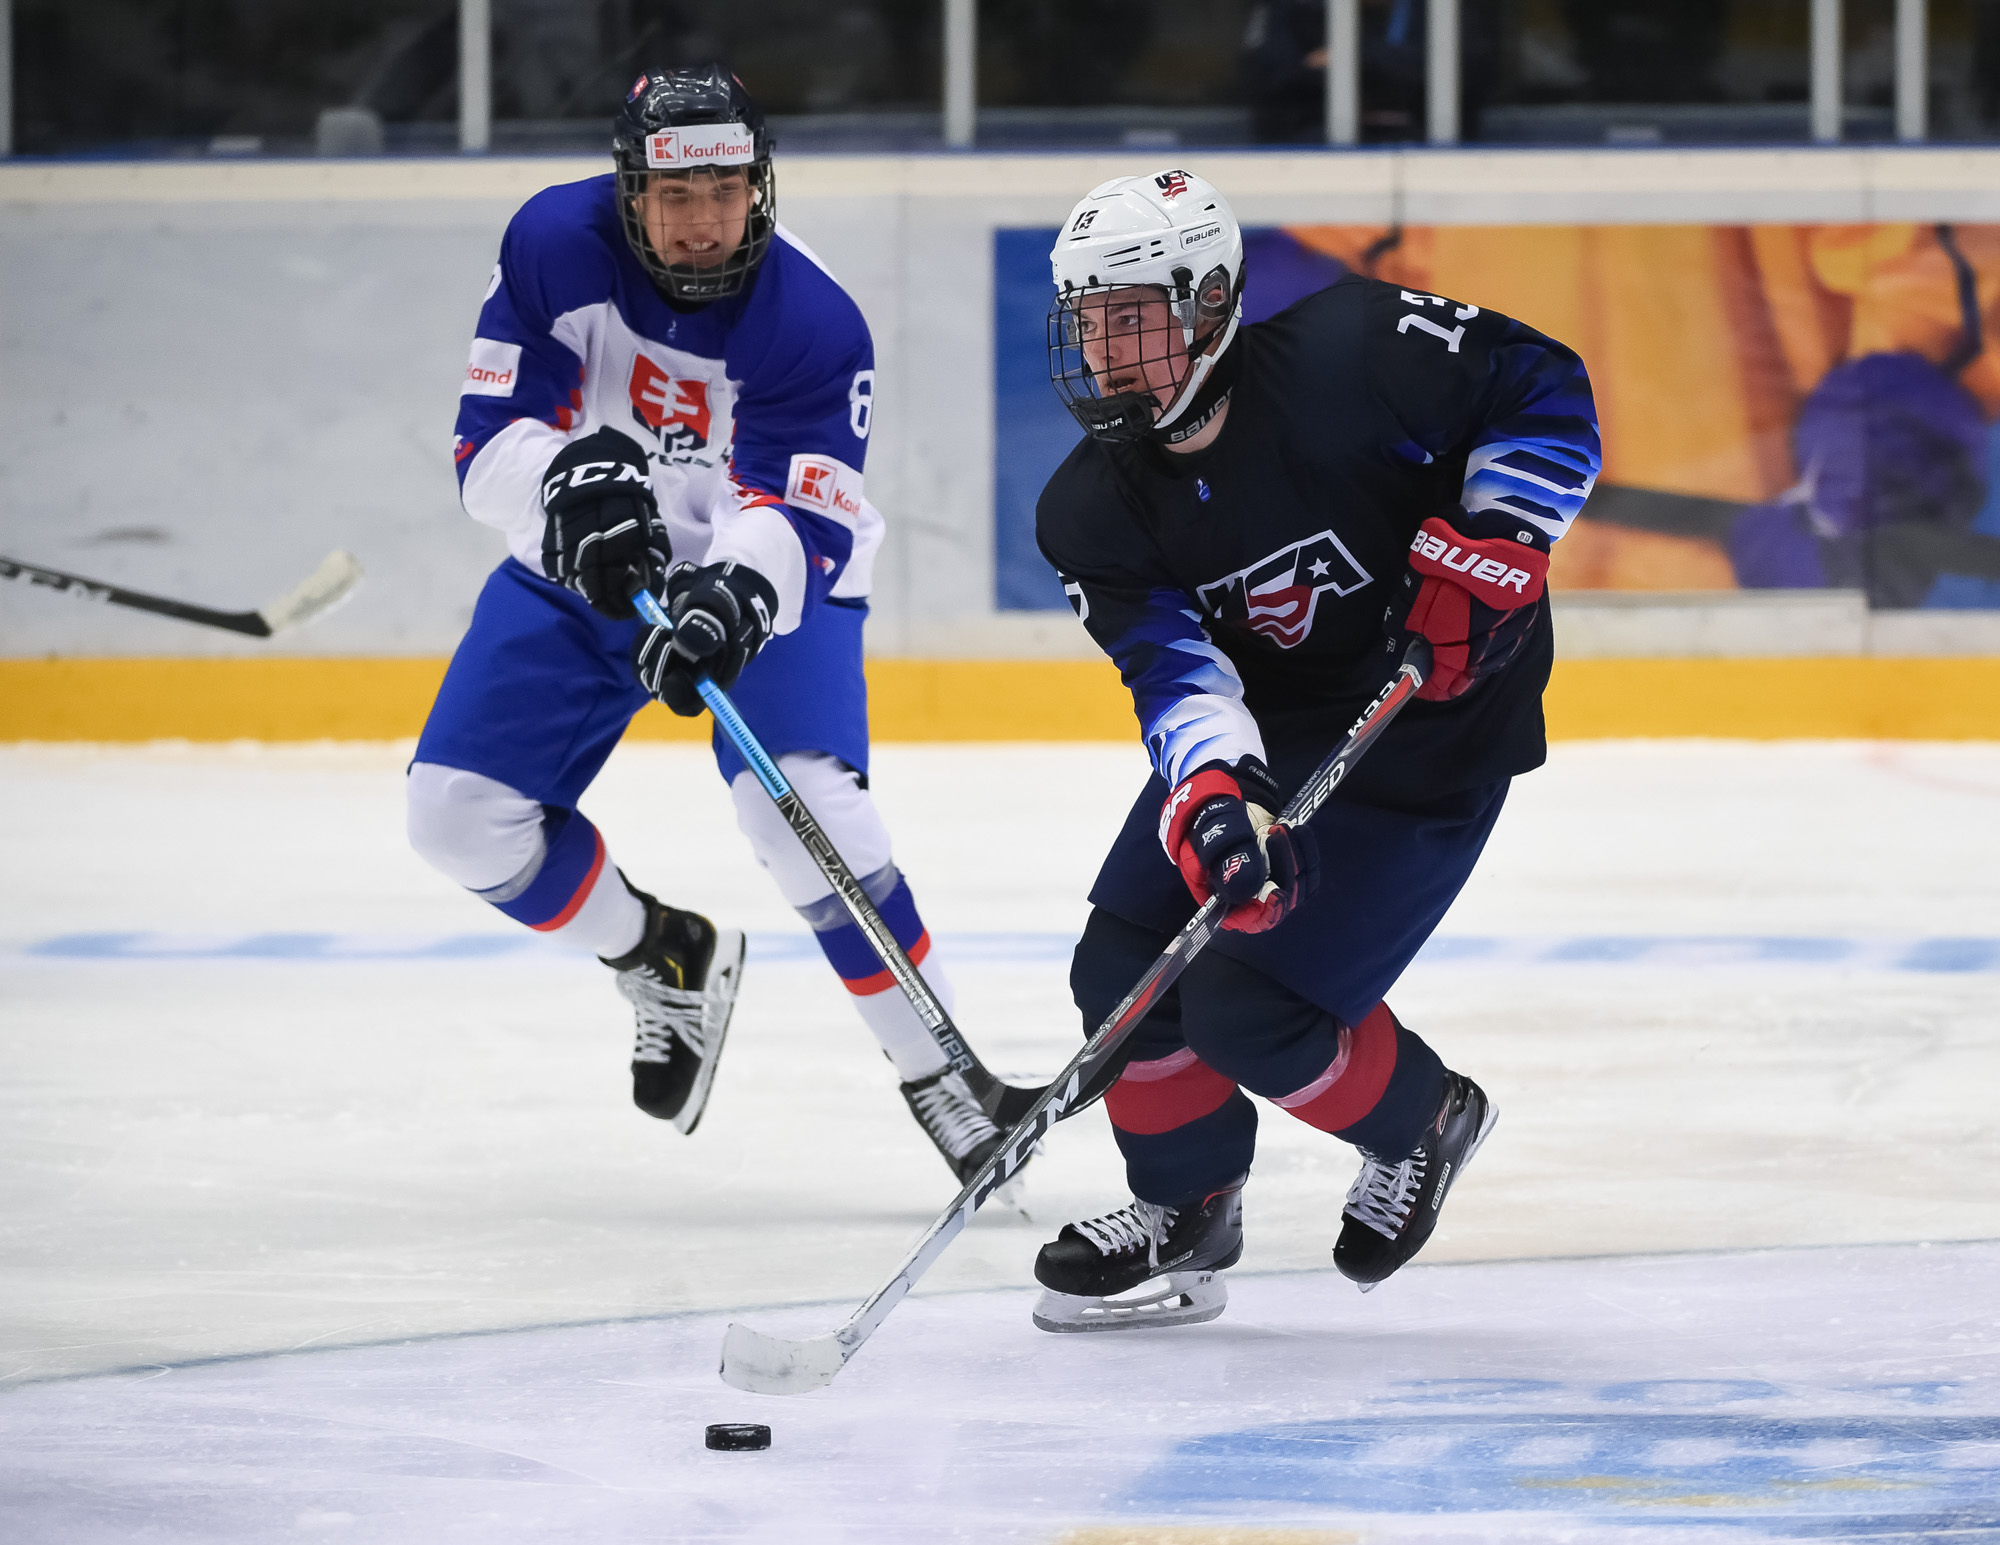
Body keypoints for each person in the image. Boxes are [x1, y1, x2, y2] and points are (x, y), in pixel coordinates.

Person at [405, 66, 1006, 1181]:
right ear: (627, 192)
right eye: (674, 196)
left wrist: (734, 593)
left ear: (759, 188)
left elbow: (804, 517)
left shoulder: (813, 323)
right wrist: (560, 477)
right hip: (582, 563)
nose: (699, 223)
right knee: (455, 819)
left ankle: (941, 1071)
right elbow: (485, 441)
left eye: (724, 191)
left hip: (754, 572)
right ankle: (660, 958)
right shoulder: (550, 243)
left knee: (799, 816)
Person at [1029, 169, 1599, 1331]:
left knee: (1248, 1011)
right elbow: (1177, 677)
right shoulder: (1090, 507)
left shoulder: (1356, 345)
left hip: (1435, 719)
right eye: (1087, 320)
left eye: (1129, 315)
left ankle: (1426, 1119)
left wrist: (1497, 541)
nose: (1105, 351)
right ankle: (1187, 1201)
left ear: (1211, 300)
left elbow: (1542, 390)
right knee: (1121, 976)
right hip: (1279, 723)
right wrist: (1214, 800)